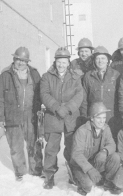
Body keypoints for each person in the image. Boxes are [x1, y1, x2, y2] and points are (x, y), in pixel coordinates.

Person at [0, 47, 43, 181]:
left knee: (34, 143)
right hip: (12, 115)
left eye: (24, 60)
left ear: (27, 62)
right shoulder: (6, 75)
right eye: (18, 60)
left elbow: (41, 93)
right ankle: (20, 171)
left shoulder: (34, 74)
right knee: (16, 146)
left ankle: (36, 170)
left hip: (31, 114)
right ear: (14, 59)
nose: (21, 63)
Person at [40, 47, 83, 189]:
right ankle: (49, 176)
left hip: (70, 118)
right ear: (55, 61)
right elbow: (44, 94)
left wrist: (67, 108)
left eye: (64, 62)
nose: (61, 65)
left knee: (72, 147)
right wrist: (57, 108)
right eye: (59, 62)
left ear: (68, 62)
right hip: (53, 117)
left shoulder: (75, 77)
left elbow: (79, 96)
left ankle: (73, 174)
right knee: (51, 149)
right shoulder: (47, 77)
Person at [70, 102, 121, 195]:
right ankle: (76, 179)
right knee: (88, 185)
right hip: (80, 166)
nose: (102, 121)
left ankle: (108, 182)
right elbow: (76, 154)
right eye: (99, 118)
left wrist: (104, 151)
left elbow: (112, 144)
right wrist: (90, 169)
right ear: (92, 118)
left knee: (115, 157)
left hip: (94, 162)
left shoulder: (106, 128)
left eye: (104, 118)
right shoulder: (82, 131)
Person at [80, 46, 121, 141]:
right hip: (94, 118)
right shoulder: (88, 76)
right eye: (97, 58)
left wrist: (119, 117)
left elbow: (120, 97)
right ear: (94, 60)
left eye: (103, 58)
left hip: (112, 118)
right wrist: (84, 116)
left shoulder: (116, 75)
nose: (100, 61)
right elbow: (84, 100)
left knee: (112, 144)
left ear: (108, 60)